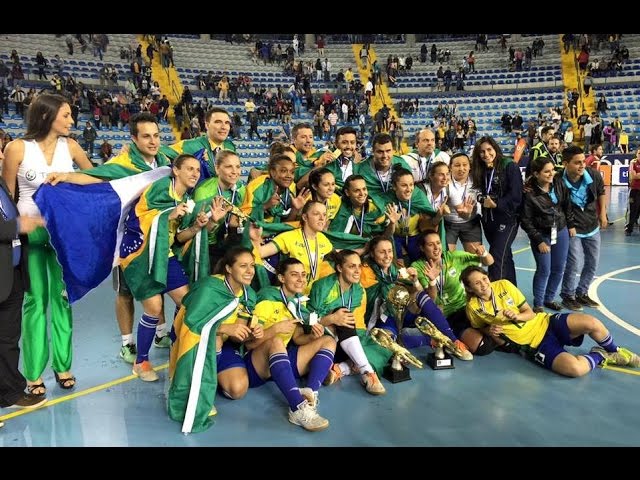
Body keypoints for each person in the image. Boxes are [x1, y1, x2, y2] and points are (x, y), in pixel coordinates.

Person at [44, 112, 173, 364]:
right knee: (125, 292)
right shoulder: (124, 162)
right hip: (129, 240)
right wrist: (67, 176)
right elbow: (97, 175)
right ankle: (127, 343)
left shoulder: (165, 159)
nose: (153, 141)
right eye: (146, 136)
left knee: (156, 285)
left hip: (158, 238)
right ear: (134, 139)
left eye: (156, 135)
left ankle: (160, 333)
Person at [1, 93, 93, 395]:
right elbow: (6, 198)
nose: (71, 121)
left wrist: (69, 175)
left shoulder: (73, 147)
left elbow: (98, 180)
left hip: (62, 235)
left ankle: (63, 366)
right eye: (65, 115)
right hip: (29, 236)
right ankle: (33, 372)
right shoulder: (17, 148)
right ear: (46, 116)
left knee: (63, 299)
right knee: (35, 302)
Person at [119, 154, 225, 381]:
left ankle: (177, 349)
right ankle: (141, 362)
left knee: (186, 303)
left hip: (164, 255)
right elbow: (138, 219)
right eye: (189, 169)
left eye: (197, 169)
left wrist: (198, 226)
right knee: (155, 306)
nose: (195, 173)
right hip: (141, 255)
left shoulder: (187, 200)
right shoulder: (159, 189)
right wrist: (168, 215)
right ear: (175, 171)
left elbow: (178, 238)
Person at [461, 266, 640, 377]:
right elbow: (480, 327)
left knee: (591, 323)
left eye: (484, 279)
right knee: (575, 369)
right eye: (477, 283)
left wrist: (517, 316)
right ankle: (600, 355)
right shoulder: (472, 307)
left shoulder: (503, 285)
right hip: (534, 345)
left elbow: (529, 313)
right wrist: (489, 330)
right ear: (470, 288)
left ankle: (616, 351)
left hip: (545, 322)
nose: (484, 284)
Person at [168, 246, 262, 433]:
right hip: (192, 342)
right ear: (228, 268)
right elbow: (191, 325)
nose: (250, 271)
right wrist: (225, 328)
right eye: (243, 266)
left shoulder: (248, 294)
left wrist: (249, 333)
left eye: (252, 265)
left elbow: (237, 337)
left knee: (238, 390)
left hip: (222, 345)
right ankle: (200, 388)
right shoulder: (209, 288)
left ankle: (211, 381)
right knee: (215, 341)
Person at [245, 258, 336, 431]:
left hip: (280, 361)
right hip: (257, 365)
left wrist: (311, 339)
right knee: (276, 340)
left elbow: (296, 339)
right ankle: (298, 408)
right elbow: (249, 344)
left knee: (328, 341)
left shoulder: (298, 302)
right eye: (294, 275)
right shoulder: (267, 299)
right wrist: (275, 329)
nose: (301, 279)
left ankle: (310, 393)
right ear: (281, 278)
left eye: (303, 275)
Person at [0, 175, 48, 421]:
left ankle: (10, 393)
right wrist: (18, 225)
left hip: (11, 276)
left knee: (8, 341)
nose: (0, 154)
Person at [308, 249, 386, 395]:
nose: (357, 271)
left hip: (343, 341)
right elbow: (308, 321)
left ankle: (340, 369)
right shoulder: (322, 286)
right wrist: (331, 319)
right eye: (352, 266)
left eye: (359, 266)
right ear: (339, 268)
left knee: (384, 345)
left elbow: (351, 324)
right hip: (320, 341)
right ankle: (367, 372)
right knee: (342, 311)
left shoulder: (357, 291)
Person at [411, 230, 498, 356]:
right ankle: (450, 337)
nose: (436, 248)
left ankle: (455, 336)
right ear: (422, 248)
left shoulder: (453, 257)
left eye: (438, 243)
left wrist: (483, 253)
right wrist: (432, 280)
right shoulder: (418, 267)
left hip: (467, 308)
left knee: (500, 336)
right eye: (430, 245)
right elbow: (430, 299)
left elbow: (489, 262)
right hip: (447, 316)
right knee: (483, 347)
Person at [520, 157, 574, 313]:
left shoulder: (558, 183)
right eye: (547, 171)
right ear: (536, 174)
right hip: (542, 235)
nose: (552, 174)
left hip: (561, 230)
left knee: (558, 268)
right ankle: (538, 304)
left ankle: (549, 298)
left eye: (552, 170)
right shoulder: (529, 194)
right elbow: (526, 221)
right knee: (544, 269)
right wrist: (538, 241)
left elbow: (567, 205)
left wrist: (570, 224)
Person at [249, 200, 333, 295]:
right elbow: (260, 253)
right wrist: (255, 239)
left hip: (310, 296)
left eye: (324, 214)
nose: (322, 218)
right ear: (305, 217)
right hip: (290, 295)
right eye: (316, 214)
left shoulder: (324, 240)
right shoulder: (288, 237)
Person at [559, 146, 607, 311]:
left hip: (592, 226)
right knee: (574, 263)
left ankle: (582, 292)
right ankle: (568, 295)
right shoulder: (558, 180)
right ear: (565, 163)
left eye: (583, 161)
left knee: (592, 262)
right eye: (577, 163)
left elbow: (601, 192)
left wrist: (603, 215)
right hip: (572, 229)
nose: (582, 165)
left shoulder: (592, 175)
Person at [470, 136, 522, 285]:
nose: (486, 154)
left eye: (489, 150)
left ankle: (494, 296)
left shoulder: (509, 166)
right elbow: (480, 192)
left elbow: (516, 196)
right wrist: (481, 199)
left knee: (496, 257)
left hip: (507, 220)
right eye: (481, 152)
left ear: (495, 149)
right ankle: (512, 292)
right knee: (506, 257)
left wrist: (496, 204)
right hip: (488, 221)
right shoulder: (481, 169)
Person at [192, 150, 246, 270]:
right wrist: (214, 222)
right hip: (207, 246)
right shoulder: (203, 192)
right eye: (229, 167)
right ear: (217, 168)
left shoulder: (241, 189)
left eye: (238, 167)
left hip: (231, 242)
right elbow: (196, 232)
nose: (235, 172)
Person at [162, 107, 237, 183]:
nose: (224, 127)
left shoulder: (230, 146)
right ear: (207, 125)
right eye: (218, 122)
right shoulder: (191, 145)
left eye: (227, 123)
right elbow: (160, 152)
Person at [444, 152, 482, 253]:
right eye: (457, 165)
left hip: (471, 224)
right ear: (450, 167)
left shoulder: (477, 180)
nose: (461, 168)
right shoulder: (445, 182)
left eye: (465, 165)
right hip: (449, 224)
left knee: (474, 259)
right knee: (448, 259)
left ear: (470, 167)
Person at [625, 148, 640, 236]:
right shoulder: (633, 162)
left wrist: (638, 174)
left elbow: (637, 175)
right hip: (634, 190)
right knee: (632, 210)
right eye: (639, 153)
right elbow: (633, 176)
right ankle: (629, 228)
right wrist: (636, 175)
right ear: (636, 154)